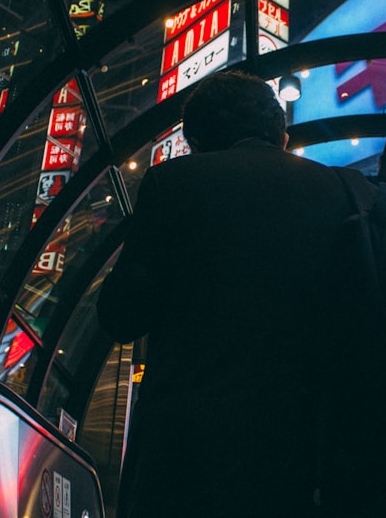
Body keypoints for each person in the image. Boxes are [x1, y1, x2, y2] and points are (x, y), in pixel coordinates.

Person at [96, 70, 353, 516]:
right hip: (299, 462)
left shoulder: (172, 184)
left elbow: (121, 315)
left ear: (197, 139)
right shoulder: (343, 195)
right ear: (281, 132)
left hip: (187, 459)